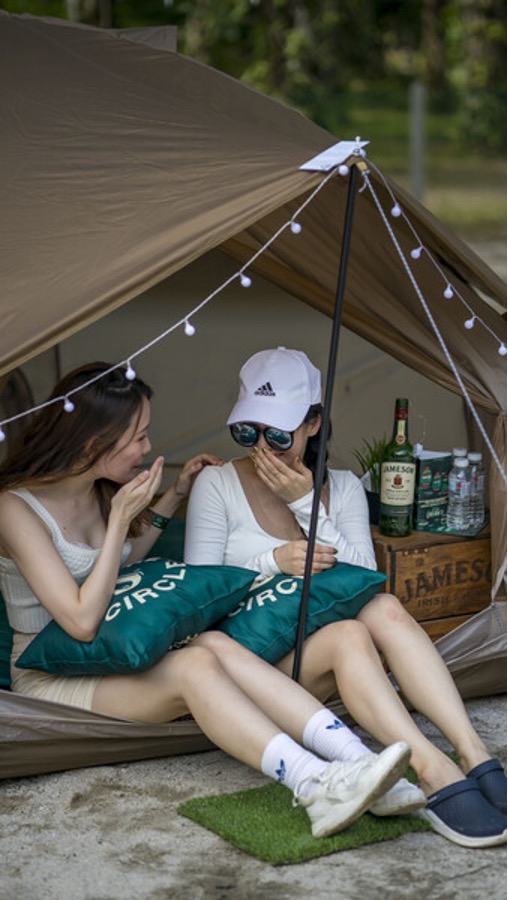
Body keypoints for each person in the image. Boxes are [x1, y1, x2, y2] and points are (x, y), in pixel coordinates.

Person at [0, 361, 414, 841]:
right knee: (193, 666)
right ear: (95, 446)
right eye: (138, 437)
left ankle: (361, 764)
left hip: (106, 654)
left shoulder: (97, 489)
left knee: (213, 646)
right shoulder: (14, 508)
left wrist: (172, 497)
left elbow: (114, 563)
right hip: (52, 673)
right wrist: (118, 519)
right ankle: (314, 784)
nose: (148, 447)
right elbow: (81, 620)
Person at [184, 346, 507, 848]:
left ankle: (473, 752)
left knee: (379, 610)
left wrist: (305, 503)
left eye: (277, 433)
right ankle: (429, 765)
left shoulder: (343, 487)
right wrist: (271, 562)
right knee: (351, 633)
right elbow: (195, 597)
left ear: (313, 423)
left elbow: (364, 580)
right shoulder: (218, 483)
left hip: (317, 661)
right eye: (247, 431)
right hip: (248, 666)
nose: (262, 447)